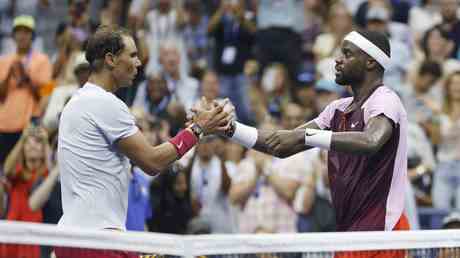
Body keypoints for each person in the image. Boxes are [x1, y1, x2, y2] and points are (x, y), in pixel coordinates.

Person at [208, 30, 409, 257]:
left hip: (382, 233)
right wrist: (230, 128)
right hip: (348, 233)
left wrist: (308, 137)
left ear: (370, 62)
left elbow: (371, 140)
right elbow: (282, 145)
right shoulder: (337, 109)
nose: (338, 59)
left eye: (347, 54)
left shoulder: (385, 98)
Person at [54, 26, 232, 258]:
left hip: (70, 237)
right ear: (110, 59)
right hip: (98, 240)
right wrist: (197, 130)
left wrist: (188, 127)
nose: (139, 63)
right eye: (133, 55)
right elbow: (152, 162)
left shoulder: (77, 103)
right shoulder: (104, 103)